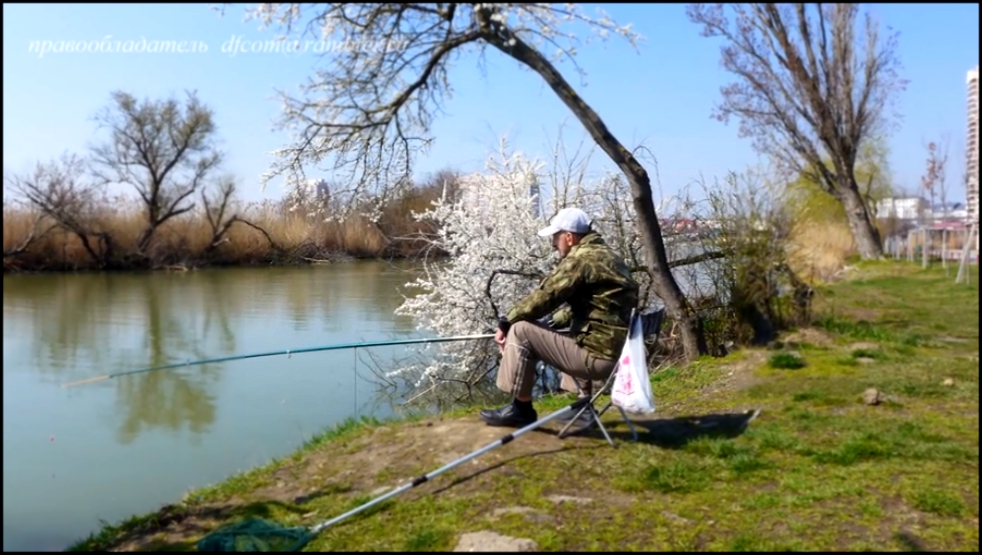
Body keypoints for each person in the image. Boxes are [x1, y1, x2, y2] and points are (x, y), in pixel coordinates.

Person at [480, 207, 640, 430]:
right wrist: (553, 322)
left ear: (569, 237)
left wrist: (507, 322)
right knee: (569, 331)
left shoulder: (581, 260)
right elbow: (598, 307)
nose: (554, 244)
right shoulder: (610, 257)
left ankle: (521, 410)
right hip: (621, 355)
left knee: (521, 330)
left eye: (555, 237)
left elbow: (546, 296)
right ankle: (584, 408)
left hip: (598, 361)